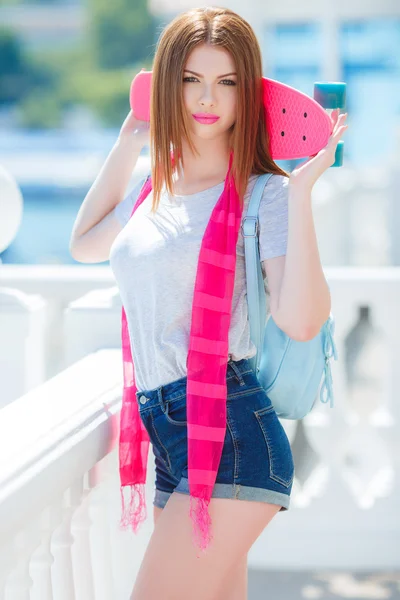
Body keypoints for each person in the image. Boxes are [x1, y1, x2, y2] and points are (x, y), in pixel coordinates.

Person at [69, 6, 348, 599]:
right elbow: (86, 242)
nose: (207, 99)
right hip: (174, 435)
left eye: (226, 82)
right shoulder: (154, 190)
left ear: (248, 95)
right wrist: (130, 139)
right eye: (191, 79)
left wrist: (300, 197)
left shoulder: (264, 194)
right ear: (168, 85)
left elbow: (301, 319)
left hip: (230, 432)